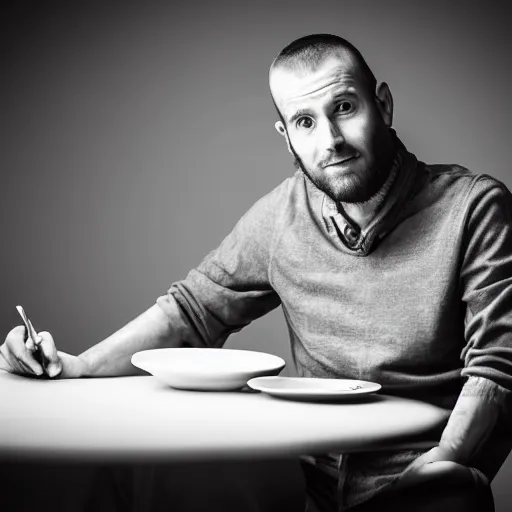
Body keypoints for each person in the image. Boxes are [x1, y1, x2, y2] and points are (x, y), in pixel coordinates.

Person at [2, 33, 512, 512]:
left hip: (424, 479)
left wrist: (445, 464)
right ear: (286, 136)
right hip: (308, 482)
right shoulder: (283, 213)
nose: (330, 139)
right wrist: (76, 367)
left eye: (344, 108)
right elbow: (191, 312)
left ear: (382, 104)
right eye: (305, 122)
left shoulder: (474, 207)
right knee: (147, 473)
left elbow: (497, 370)